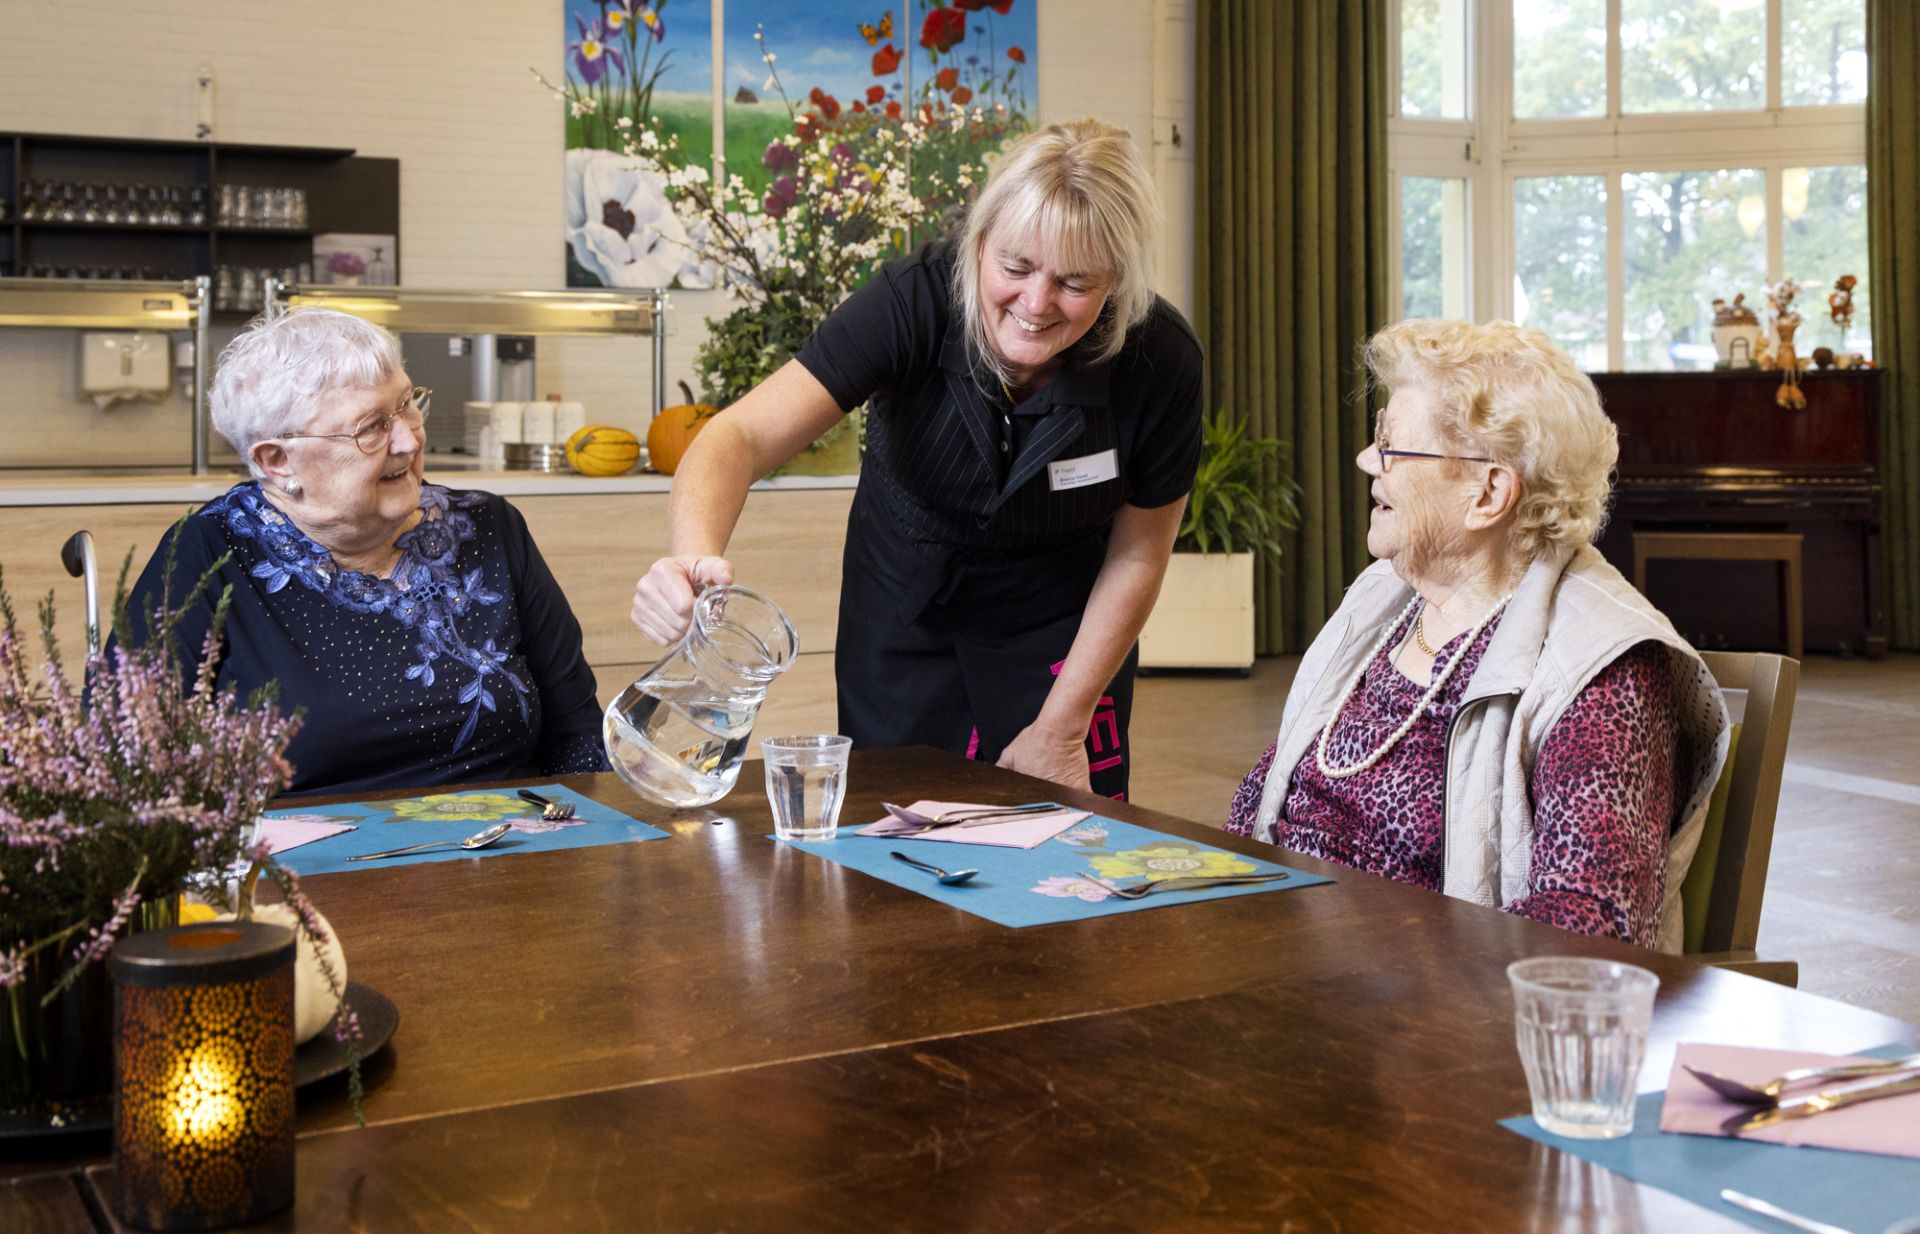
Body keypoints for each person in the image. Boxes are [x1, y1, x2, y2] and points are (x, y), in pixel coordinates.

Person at [629, 119, 1204, 799]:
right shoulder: (911, 302)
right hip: (906, 602)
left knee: (1066, 848)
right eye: (1015, 268)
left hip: (1063, 627)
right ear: (980, 241)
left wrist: (1062, 726)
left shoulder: (1159, 358)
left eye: (1075, 283)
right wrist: (693, 560)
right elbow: (738, 438)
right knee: (895, 836)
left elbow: (1139, 553)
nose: (1037, 304)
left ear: (1117, 277)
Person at [1226, 319, 1730, 952]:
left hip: (1430, 1020)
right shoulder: (1385, 599)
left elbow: (1592, 930)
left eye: (1392, 447)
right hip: (1284, 964)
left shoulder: (1602, 669)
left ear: (1488, 493)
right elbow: (1271, 791)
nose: (1364, 461)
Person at [128, 307, 607, 794]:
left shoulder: (490, 528)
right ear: (276, 461)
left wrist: (585, 839)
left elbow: (578, 733)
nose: (408, 439)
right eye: (372, 426)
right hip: (310, 864)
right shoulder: (209, 554)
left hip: (514, 847)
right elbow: (126, 764)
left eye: (407, 405)